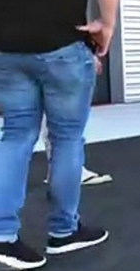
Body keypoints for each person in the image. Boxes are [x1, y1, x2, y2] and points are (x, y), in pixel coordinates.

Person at [0, 0, 119, 271]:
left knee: (15, 134)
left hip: (5, 48)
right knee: (66, 138)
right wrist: (106, 25)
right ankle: (64, 232)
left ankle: (0, 237)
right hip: (61, 45)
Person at [42, 55, 113, 187]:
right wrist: (91, 54)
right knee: (65, 123)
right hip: (59, 56)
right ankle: (69, 172)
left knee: (20, 131)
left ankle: (57, 170)